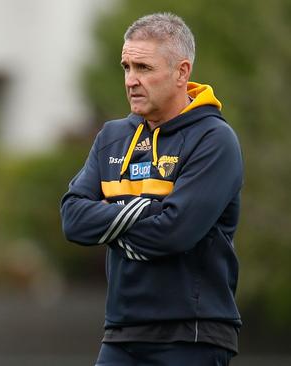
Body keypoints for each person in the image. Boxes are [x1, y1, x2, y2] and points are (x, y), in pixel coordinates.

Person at [60, 13, 243, 366]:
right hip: (121, 332)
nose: (131, 80)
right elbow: (72, 218)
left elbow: (173, 233)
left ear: (181, 72)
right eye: (127, 67)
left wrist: (110, 226)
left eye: (144, 68)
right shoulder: (112, 137)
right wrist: (149, 210)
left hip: (192, 334)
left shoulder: (214, 139)